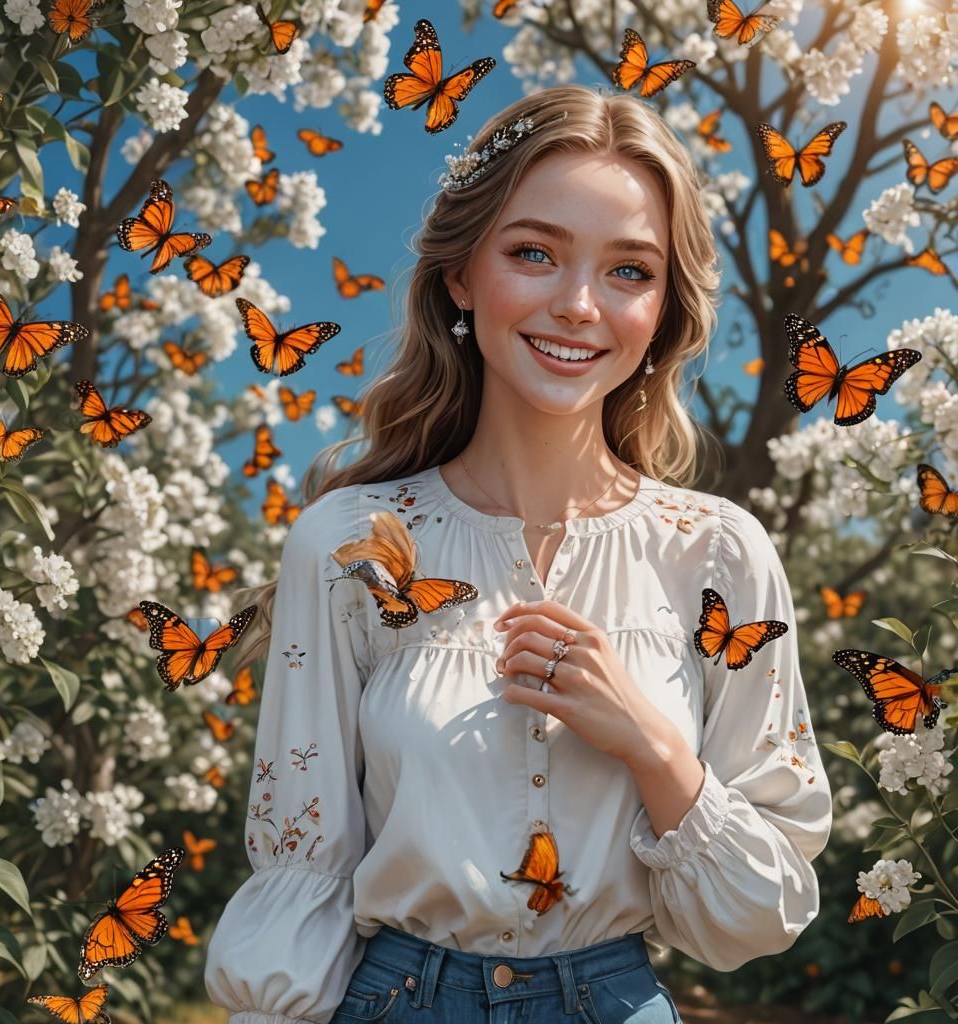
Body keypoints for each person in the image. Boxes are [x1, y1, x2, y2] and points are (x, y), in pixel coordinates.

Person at [204, 83, 833, 1024]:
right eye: (534, 252)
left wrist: (653, 744)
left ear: (663, 308)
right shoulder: (349, 546)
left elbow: (755, 913)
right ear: (461, 274)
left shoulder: (718, 554)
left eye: (629, 271)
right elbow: (306, 867)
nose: (579, 305)